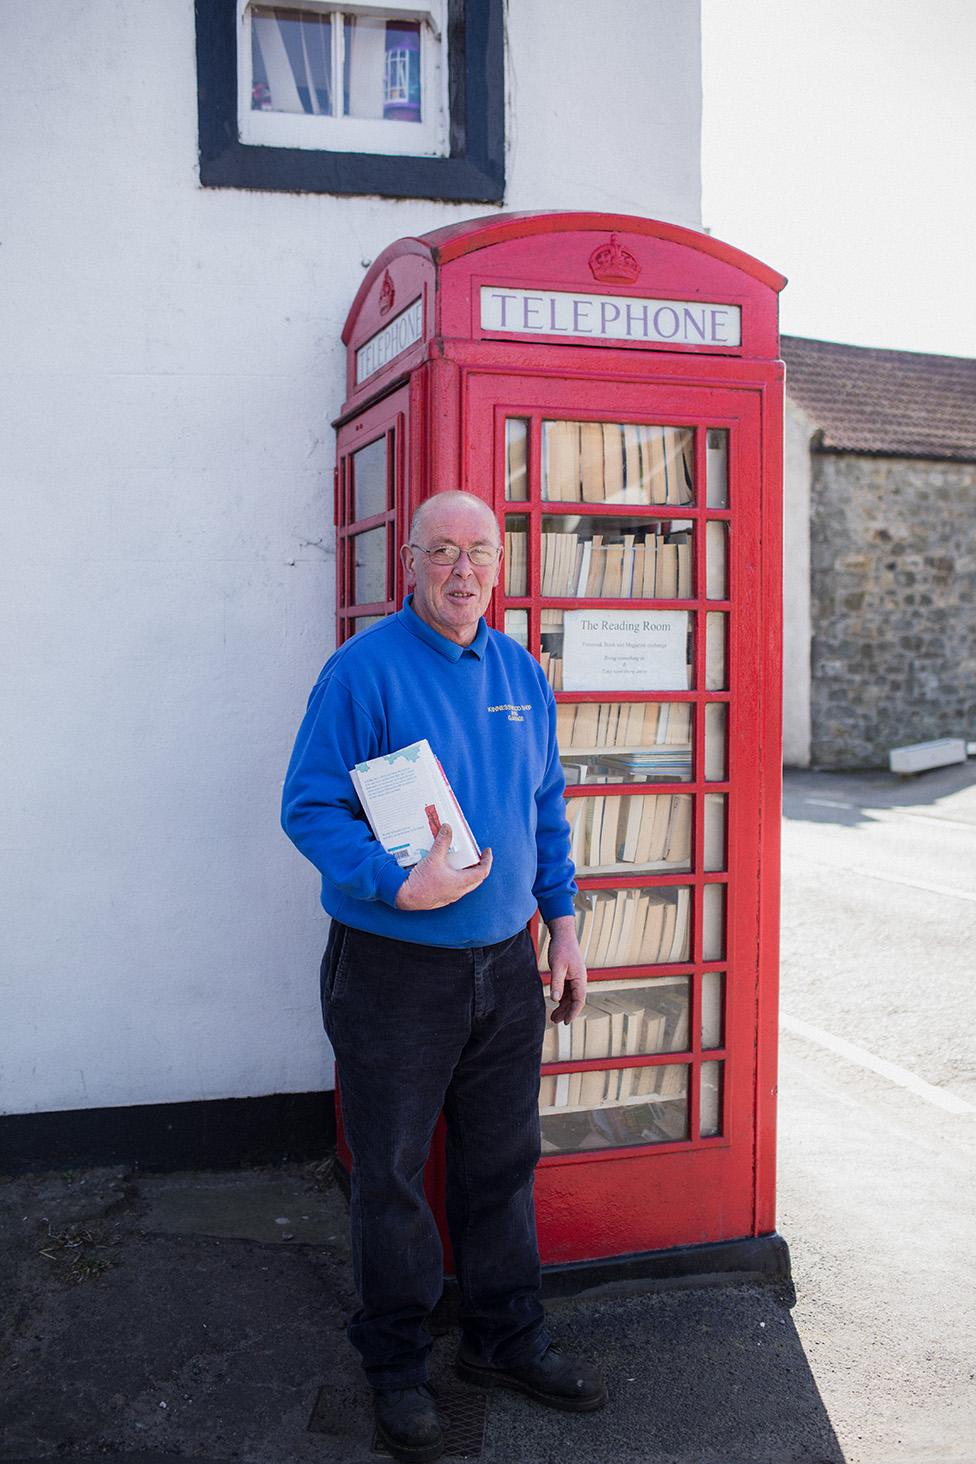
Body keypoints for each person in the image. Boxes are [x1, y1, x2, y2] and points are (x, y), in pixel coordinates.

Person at [281, 490, 606, 1462]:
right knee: (387, 1178)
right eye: (441, 552)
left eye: (478, 552)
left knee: (503, 1165)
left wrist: (564, 924)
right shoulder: (361, 672)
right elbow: (309, 807)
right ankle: (394, 1365)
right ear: (410, 564)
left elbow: (543, 802)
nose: (461, 570)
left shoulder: (517, 670)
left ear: (498, 566)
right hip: (392, 972)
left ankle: (504, 1342)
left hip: (506, 968)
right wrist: (394, 884)